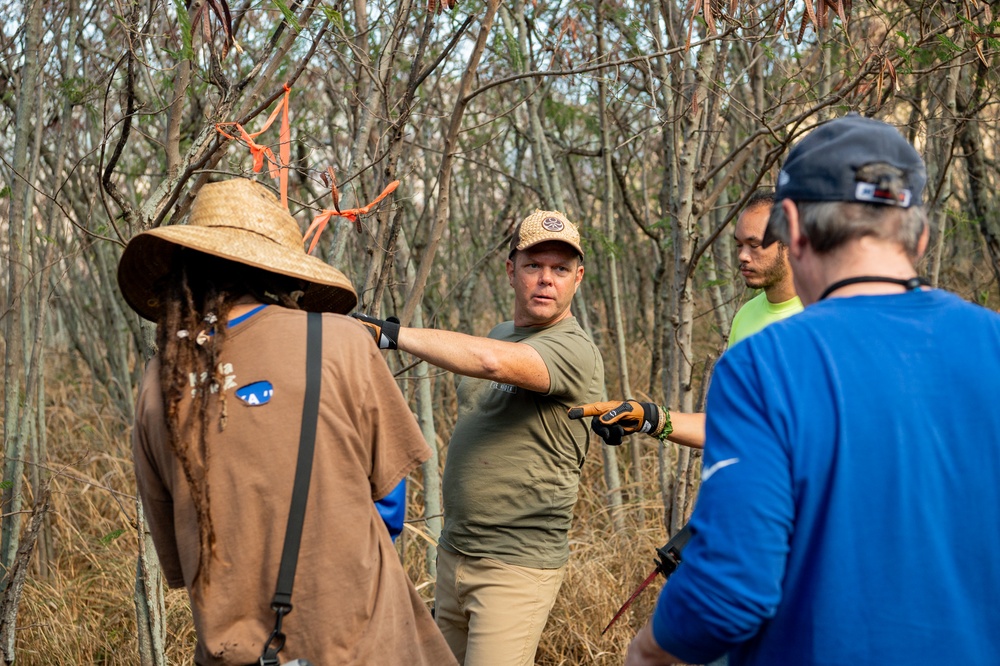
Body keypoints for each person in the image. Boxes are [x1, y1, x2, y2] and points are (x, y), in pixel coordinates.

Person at [625, 114, 1000, 665]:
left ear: (793, 228)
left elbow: (729, 592)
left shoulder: (765, 364)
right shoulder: (992, 342)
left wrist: (650, 650)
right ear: (919, 236)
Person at [117, 178, 457, 666]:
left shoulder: (159, 382)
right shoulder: (339, 341)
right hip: (357, 640)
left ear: (183, 271)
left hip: (232, 652)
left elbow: (176, 551)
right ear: (275, 270)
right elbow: (390, 506)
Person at [353, 209, 604, 666]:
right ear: (511, 271)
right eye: (534, 266)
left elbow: (492, 363)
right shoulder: (502, 333)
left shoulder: (574, 348)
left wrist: (390, 335)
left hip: (515, 567)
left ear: (578, 278)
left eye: (560, 269)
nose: (546, 279)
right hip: (455, 554)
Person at [575, 189, 802, 450]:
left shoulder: (823, 318)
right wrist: (647, 418)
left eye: (755, 244)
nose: (742, 255)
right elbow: (728, 424)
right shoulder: (746, 316)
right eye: (739, 245)